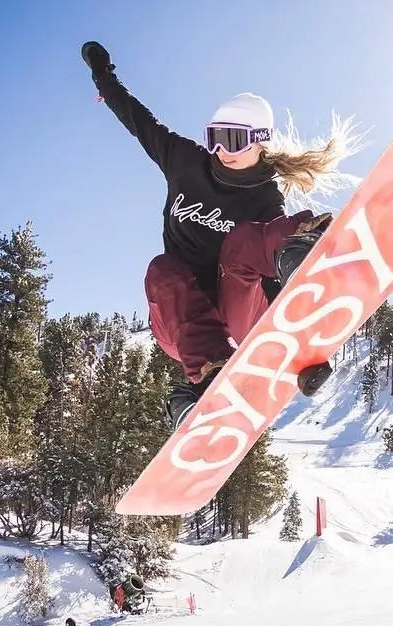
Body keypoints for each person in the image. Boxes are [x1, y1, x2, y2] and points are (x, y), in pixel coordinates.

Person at [81, 41, 355, 427]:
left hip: (238, 310)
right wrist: (104, 76)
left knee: (243, 241)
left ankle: (305, 246)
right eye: (215, 138)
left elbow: (273, 292)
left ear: (260, 140)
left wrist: (301, 359)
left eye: (234, 140)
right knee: (162, 268)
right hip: (182, 326)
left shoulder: (264, 200)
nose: (222, 152)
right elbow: (139, 121)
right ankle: (208, 379)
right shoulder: (185, 161)